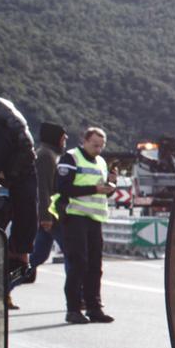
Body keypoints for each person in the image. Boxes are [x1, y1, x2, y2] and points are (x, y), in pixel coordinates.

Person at [55, 126, 114, 324]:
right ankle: (73, 309)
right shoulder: (71, 158)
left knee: (95, 266)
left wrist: (110, 187)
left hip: (95, 219)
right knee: (78, 263)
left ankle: (94, 307)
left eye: (101, 146)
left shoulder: (101, 162)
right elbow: (63, 187)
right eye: (95, 145)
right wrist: (95, 188)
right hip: (75, 216)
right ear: (85, 141)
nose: (98, 149)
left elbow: (102, 190)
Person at [0, 98, 38, 303]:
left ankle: (5, 287)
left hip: (14, 175)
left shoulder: (1, 110)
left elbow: (26, 146)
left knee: (21, 239)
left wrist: (7, 174)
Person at [27, 122, 68, 290]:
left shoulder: (50, 153)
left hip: (50, 214)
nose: (65, 140)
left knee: (38, 256)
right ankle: (79, 297)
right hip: (51, 215)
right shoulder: (45, 155)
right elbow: (43, 187)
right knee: (72, 253)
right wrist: (45, 216)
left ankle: (3, 286)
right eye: (62, 137)